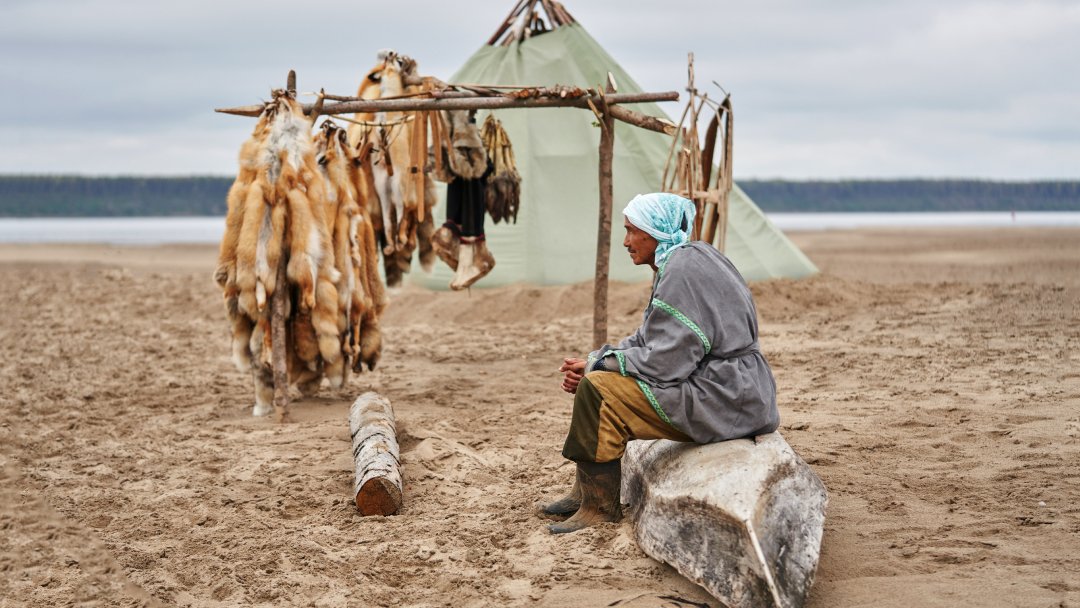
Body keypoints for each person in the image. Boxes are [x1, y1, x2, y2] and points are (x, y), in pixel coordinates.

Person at [545, 192, 780, 534]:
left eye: (631, 230)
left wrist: (602, 368)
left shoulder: (681, 271)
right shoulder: (686, 259)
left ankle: (599, 507)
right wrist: (596, 361)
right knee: (596, 380)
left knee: (599, 391)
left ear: (656, 230)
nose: (625, 242)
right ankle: (585, 493)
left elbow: (668, 362)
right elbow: (650, 339)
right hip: (737, 387)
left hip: (728, 396)